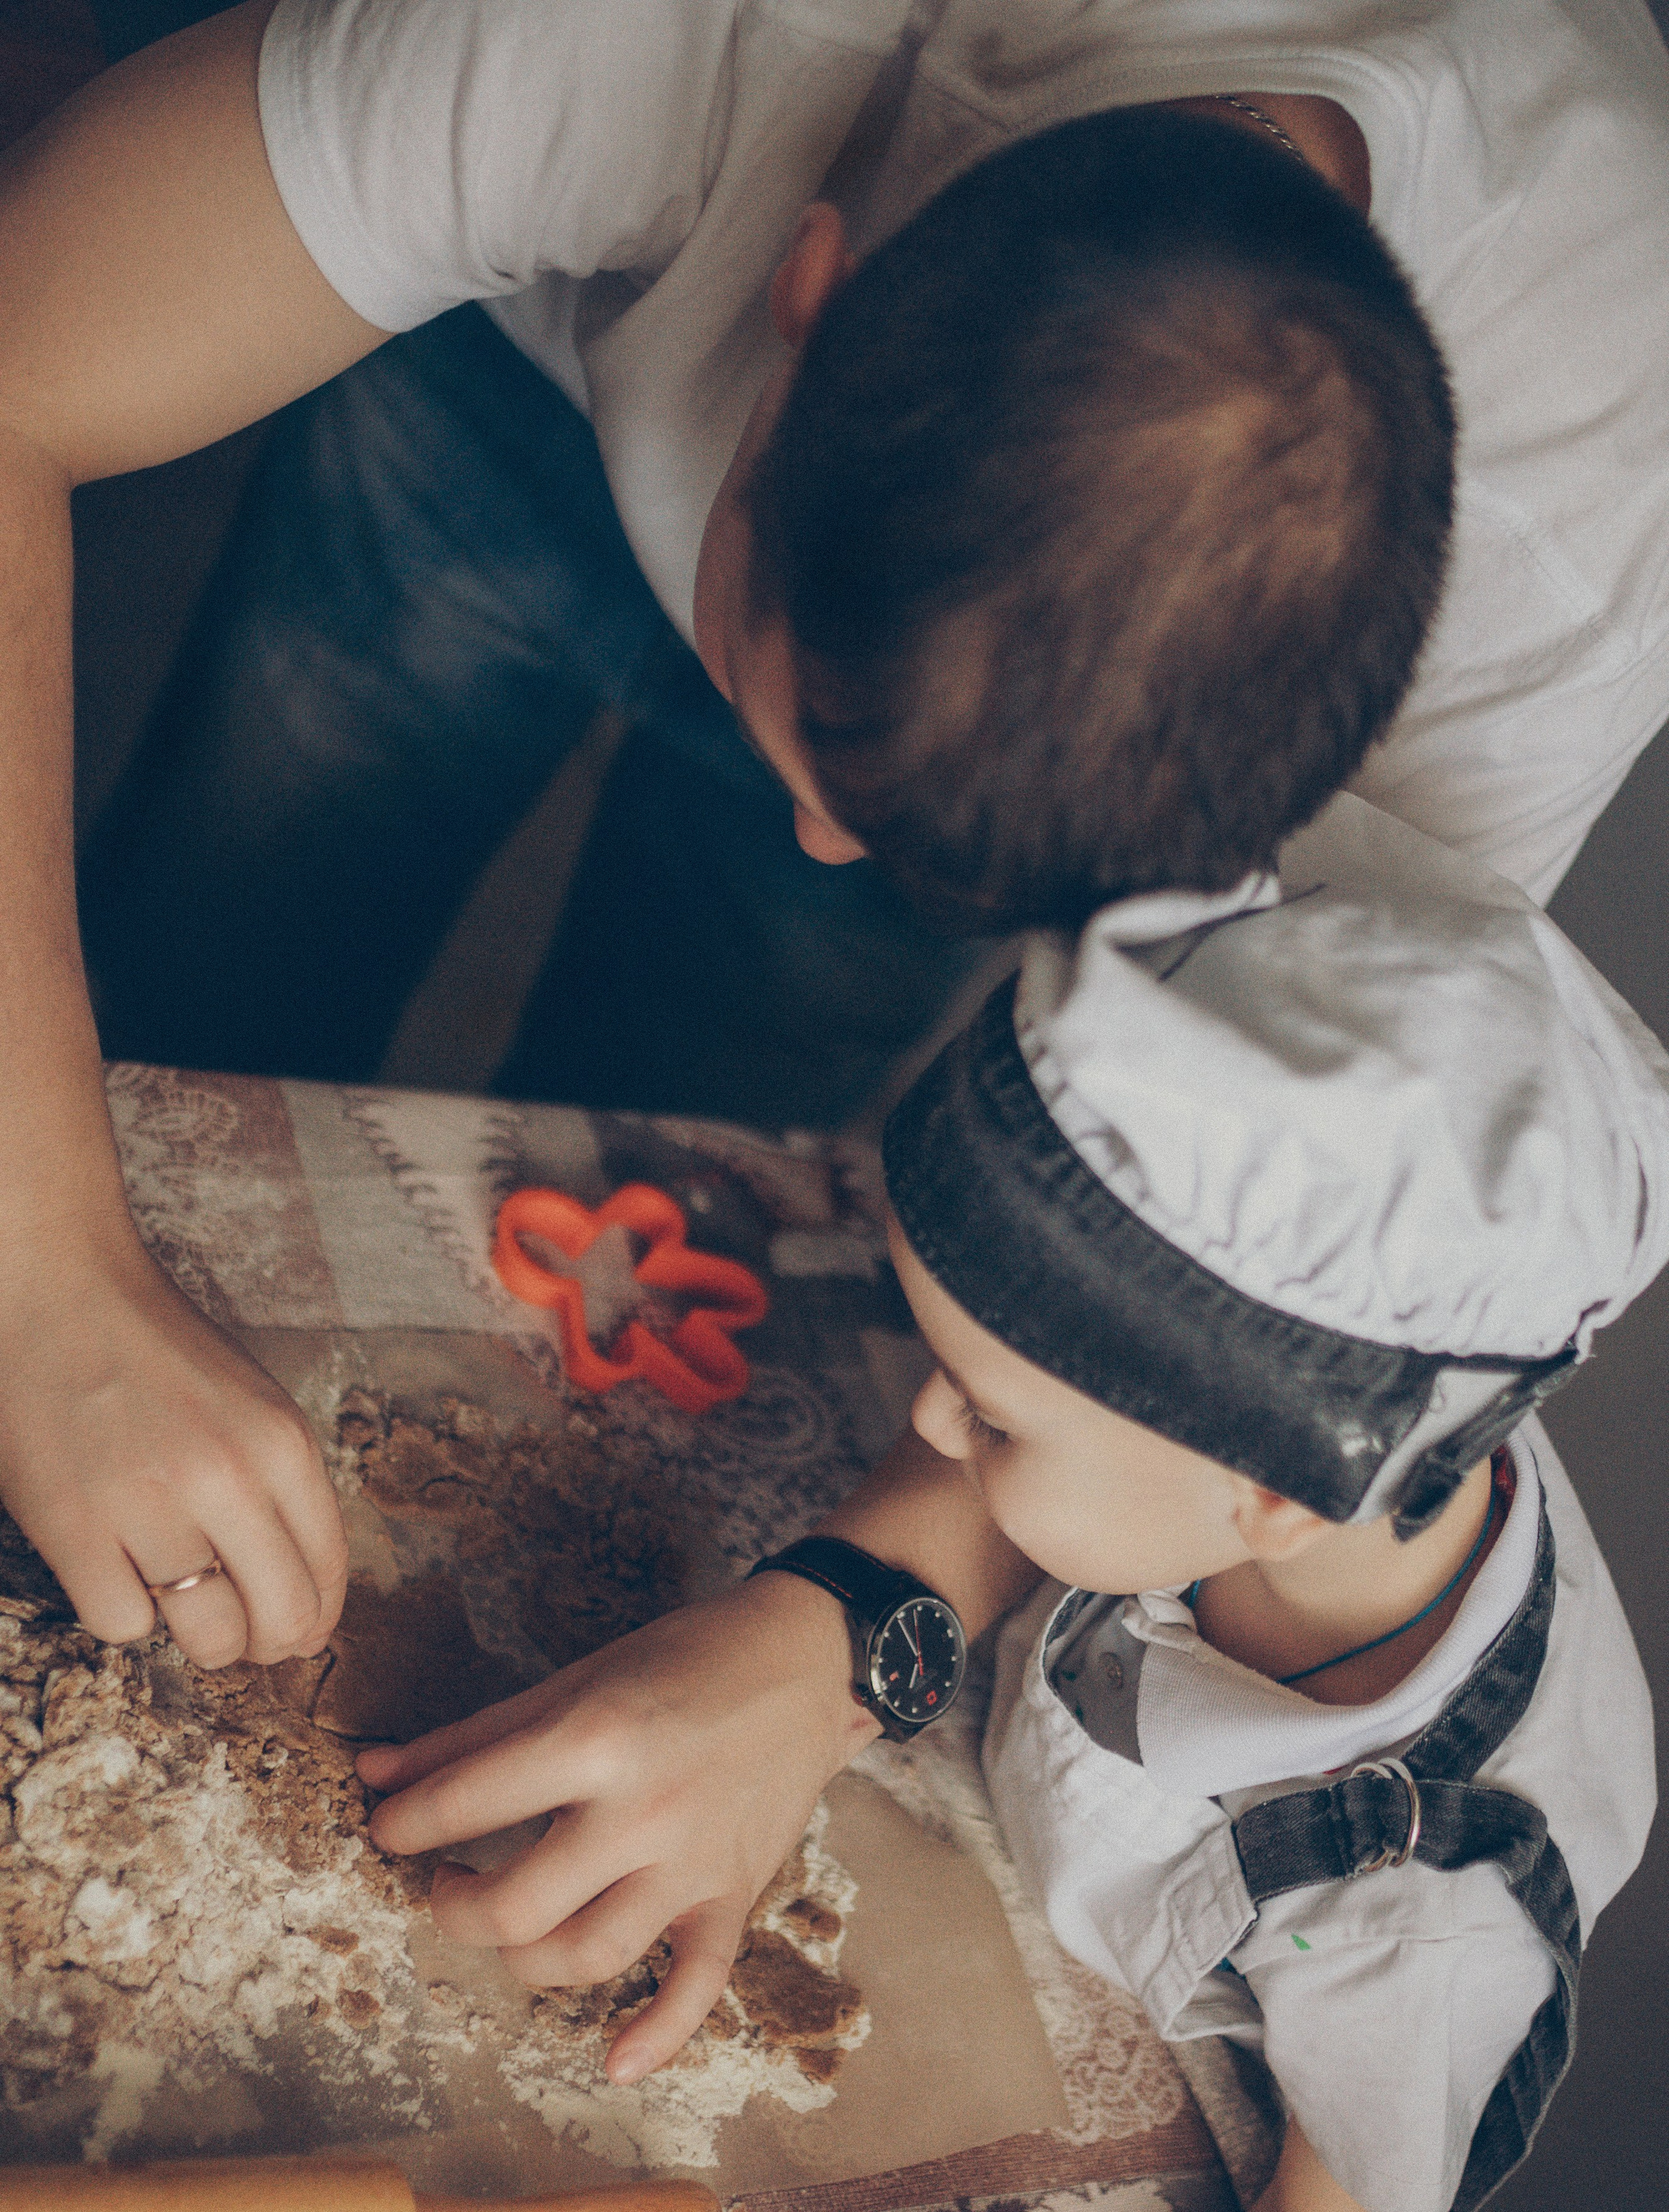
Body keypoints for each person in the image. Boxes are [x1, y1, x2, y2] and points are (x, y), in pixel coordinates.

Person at [1, 4, 1666, 1945]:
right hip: (504, 402)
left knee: (706, 1112)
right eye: (818, 765)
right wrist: (47, 1267)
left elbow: (1231, 1259)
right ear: (804, 292)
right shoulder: (639, 49)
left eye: (931, 862)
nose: (820, 844)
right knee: (226, 936)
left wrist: (852, 1622)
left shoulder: (1582, 515)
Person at [830, 800, 1661, 2212]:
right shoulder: (1347, 1424)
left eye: (986, 1413)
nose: (925, 1422)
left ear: (1271, 1496)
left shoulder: (1435, 1923)